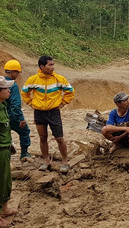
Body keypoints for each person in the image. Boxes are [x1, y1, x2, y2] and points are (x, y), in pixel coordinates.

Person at [21, 56, 74, 173]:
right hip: (39, 113)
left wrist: (63, 103)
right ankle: (46, 161)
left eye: (53, 64)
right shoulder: (33, 79)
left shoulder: (59, 79)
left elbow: (70, 91)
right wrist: (30, 103)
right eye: (50, 65)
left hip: (54, 112)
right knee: (42, 137)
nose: (52, 67)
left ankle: (65, 161)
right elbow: (24, 92)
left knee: (59, 137)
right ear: (42, 66)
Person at [3, 60, 31, 160]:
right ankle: (24, 153)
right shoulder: (12, 85)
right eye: (18, 72)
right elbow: (15, 105)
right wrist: (21, 119)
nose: (18, 75)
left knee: (5, 133)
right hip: (12, 116)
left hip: (2, 116)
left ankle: (7, 150)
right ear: (13, 72)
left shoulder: (1, 82)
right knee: (25, 131)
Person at [0, 76, 17, 227]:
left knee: (6, 181)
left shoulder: (3, 105)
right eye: (5, 88)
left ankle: (4, 209)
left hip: (5, 148)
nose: (9, 90)